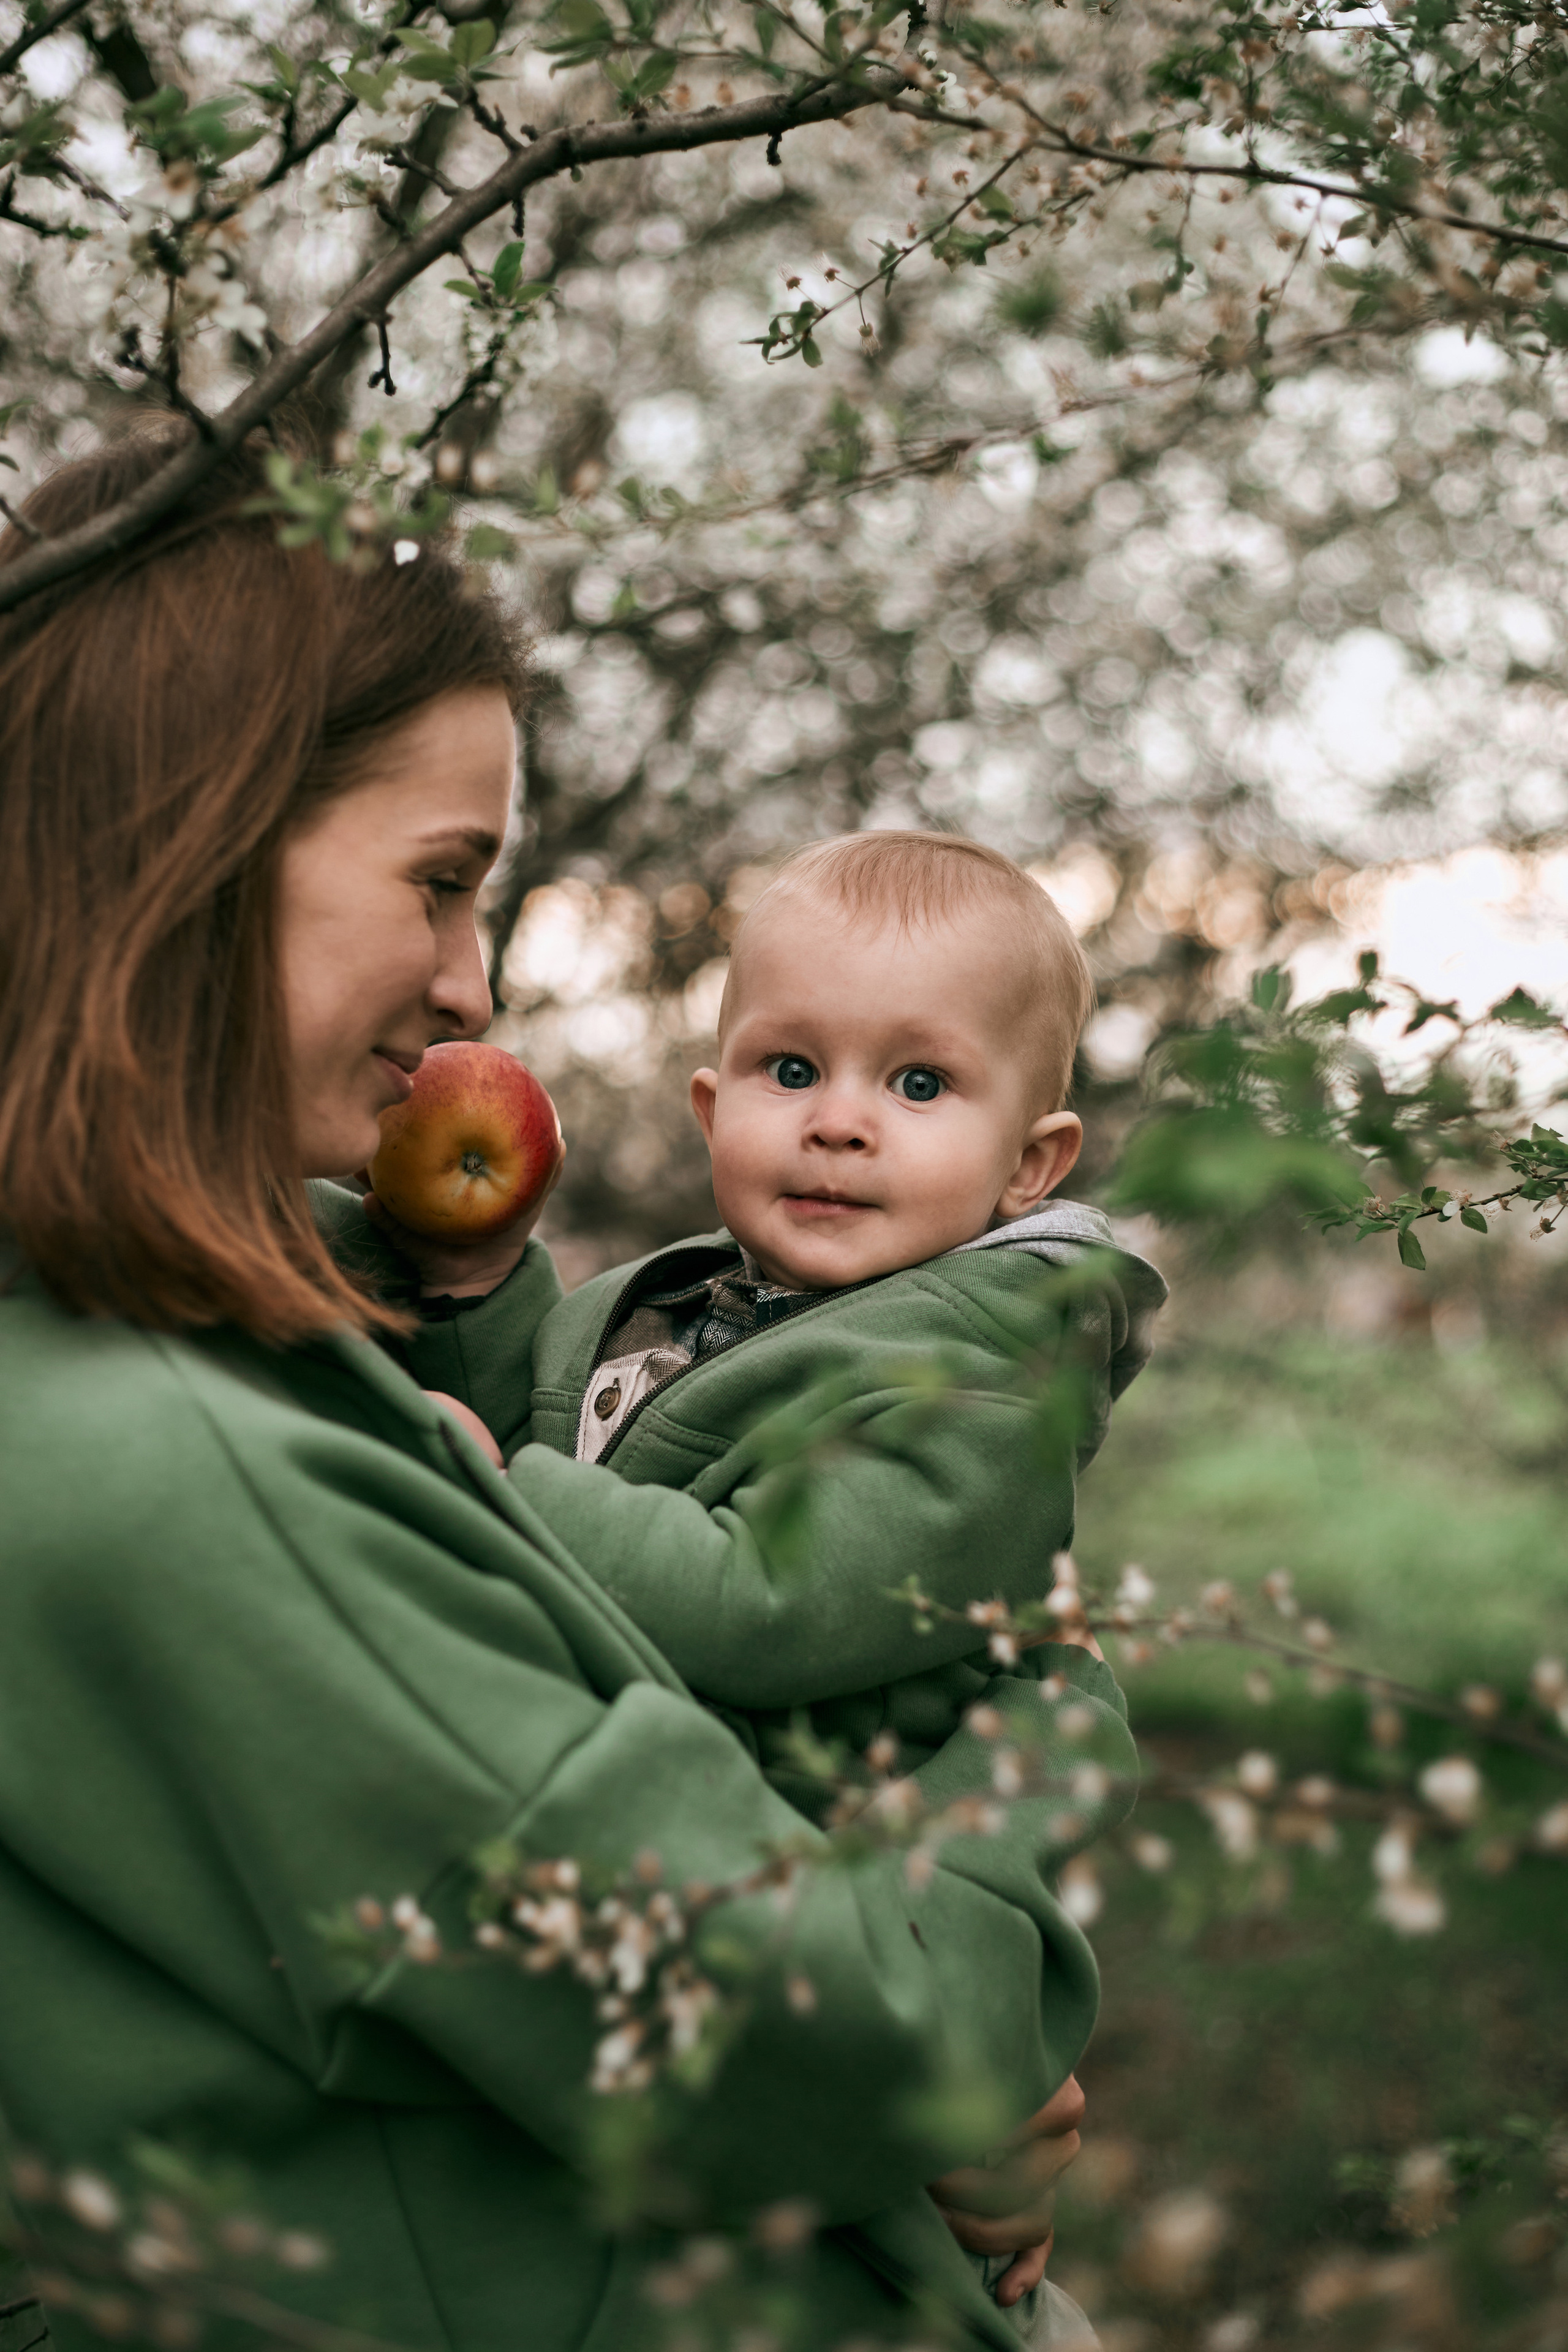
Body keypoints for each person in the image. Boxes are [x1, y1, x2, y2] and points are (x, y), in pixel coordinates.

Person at [0, 427, 1134, 2352]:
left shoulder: (164, 1340)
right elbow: (817, 2032)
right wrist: (996, 1917)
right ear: (194, 845)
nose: (471, 984)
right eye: (440, 883)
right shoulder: (180, 1470)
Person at [365, 832, 1166, 2341]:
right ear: (711, 1105)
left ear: (1029, 1163)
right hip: (672, 1890)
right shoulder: (674, 1304)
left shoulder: (981, 1390)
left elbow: (761, 1598)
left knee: (870, 2274)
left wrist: (491, 1489)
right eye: (791, 1070)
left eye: (917, 1084)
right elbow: (543, 1426)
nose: (839, 1123)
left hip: (836, 1903)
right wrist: (472, 1291)